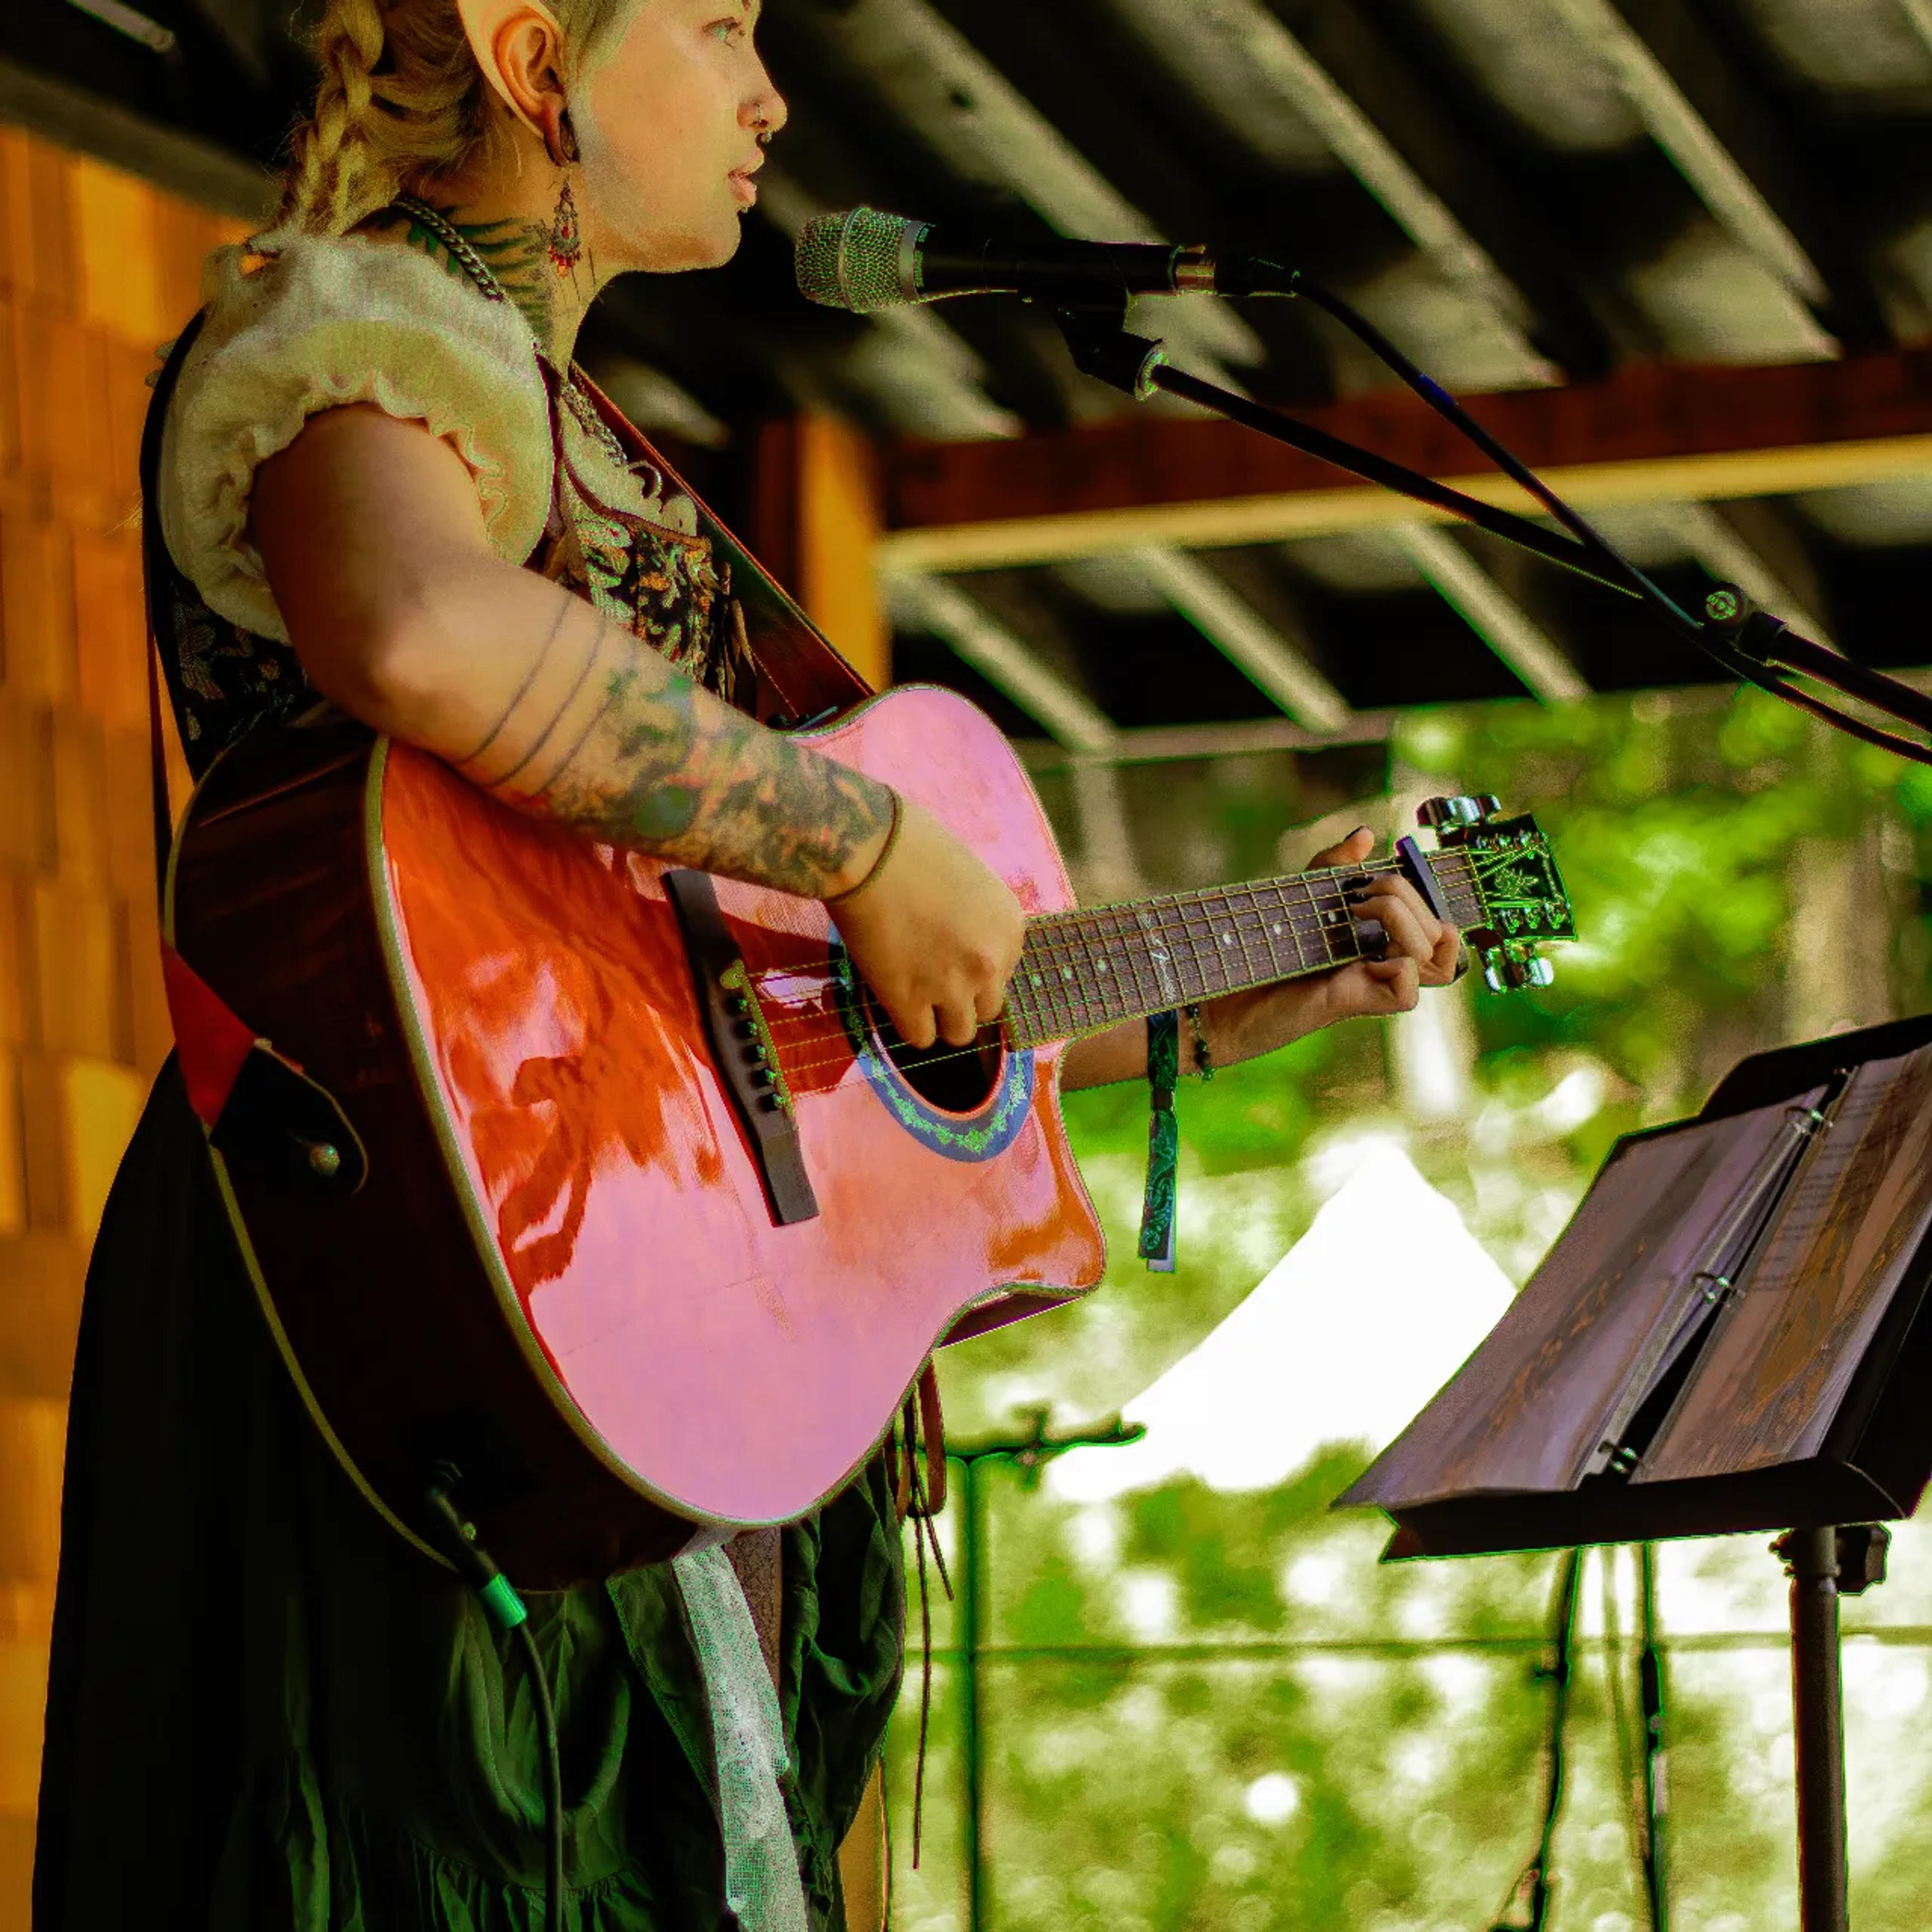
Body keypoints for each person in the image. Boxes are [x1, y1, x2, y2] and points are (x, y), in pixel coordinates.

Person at [32, 1, 1462, 1926]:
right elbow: (412, 629)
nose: (772, 95)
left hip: (625, 1338)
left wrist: (1269, 980)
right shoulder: (356, 326)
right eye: (718, 27)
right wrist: (864, 837)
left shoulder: (569, 429)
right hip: (398, 1298)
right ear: (537, 59)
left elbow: (828, 1041)